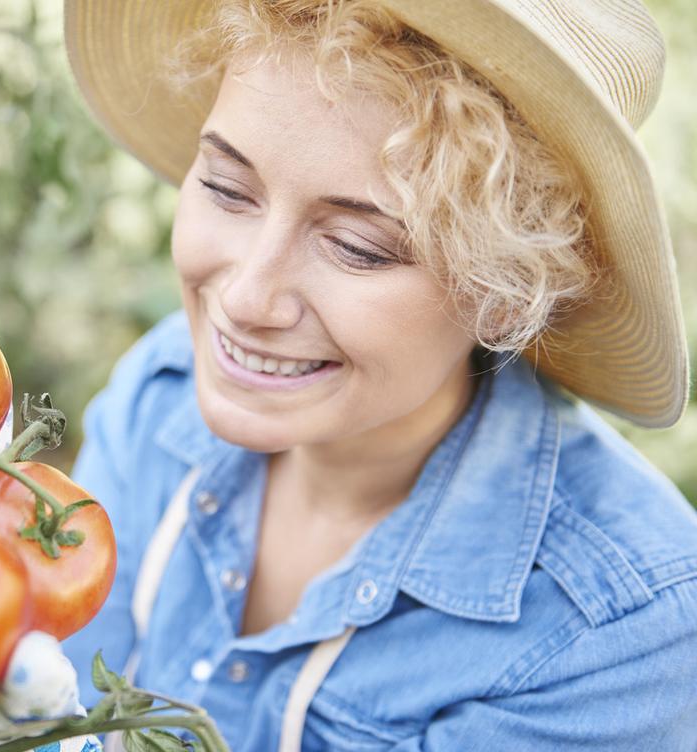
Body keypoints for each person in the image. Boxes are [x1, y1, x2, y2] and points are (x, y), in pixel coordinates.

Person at [59, 1, 697, 749]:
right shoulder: (156, 397)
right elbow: (37, 707)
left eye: (359, 247)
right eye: (229, 189)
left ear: (506, 294)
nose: (244, 298)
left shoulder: (616, 633)